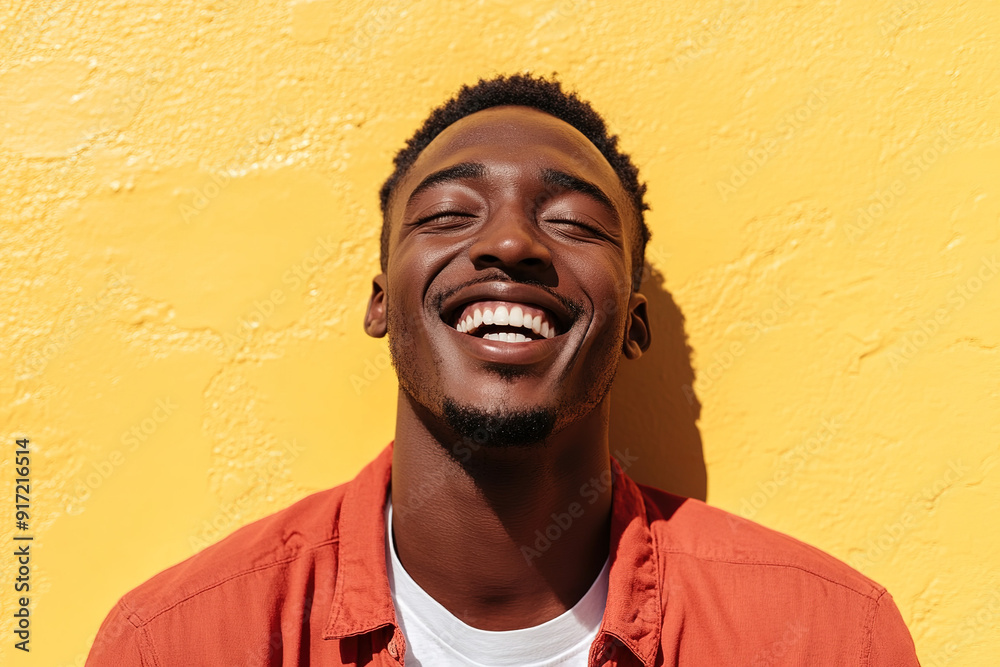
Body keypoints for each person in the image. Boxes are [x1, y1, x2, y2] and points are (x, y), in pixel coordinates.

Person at [86, 74, 920, 666]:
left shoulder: (829, 639)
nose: (511, 243)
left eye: (574, 222)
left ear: (633, 324)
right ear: (382, 301)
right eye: (450, 213)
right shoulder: (176, 644)